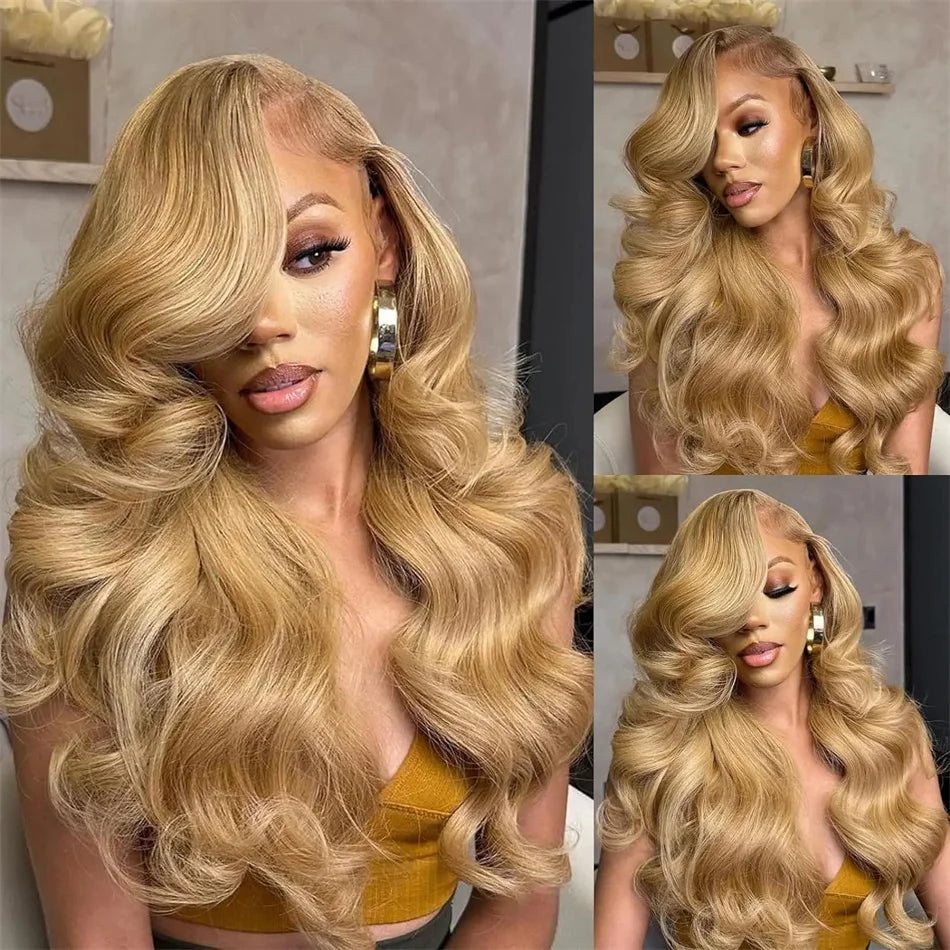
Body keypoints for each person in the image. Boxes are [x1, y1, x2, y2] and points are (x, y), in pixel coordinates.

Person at [0, 54, 592, 950]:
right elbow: (99, 939)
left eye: (311, 254)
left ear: (385, 244)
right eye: (209, 277)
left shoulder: (515, 532)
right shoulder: (97, 570)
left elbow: (519, 904)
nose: (261, 322)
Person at [595, 489, 950, 949]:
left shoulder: (888, 736)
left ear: (816, 584)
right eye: (727, 600)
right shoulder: (663, 757)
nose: (752, 619)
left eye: (777, 589)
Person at [611, 26, 944, 475]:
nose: (723, 159)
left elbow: (906, 472)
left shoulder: (907, 279)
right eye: (704, 142)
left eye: (749, 126)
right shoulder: (673, 291)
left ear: (810, 116)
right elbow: (663, 483)